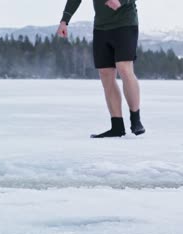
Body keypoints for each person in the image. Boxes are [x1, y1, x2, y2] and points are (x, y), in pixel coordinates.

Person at [57, 0, 145, 138]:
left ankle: (135, 119)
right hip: (101, 27)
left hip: (125, 23)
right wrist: (64, 21)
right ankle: (117, 126)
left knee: (124, 67)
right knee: (105, 73)